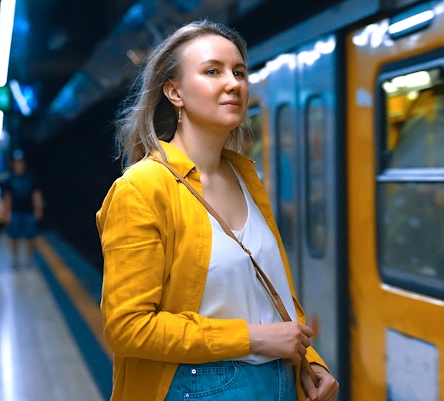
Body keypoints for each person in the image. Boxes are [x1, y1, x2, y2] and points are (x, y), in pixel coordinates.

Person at [96, 20, 339, 401]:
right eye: (213, 71)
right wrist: (253, 338)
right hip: (198, 388)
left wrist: (309, 359)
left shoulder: (244, 176)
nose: (233, 83)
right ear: (174, 92)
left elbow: (266, 292)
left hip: (277, 384)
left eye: (239, 72)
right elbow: (127, 328)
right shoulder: (142, 188)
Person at [4, 150, 44, 269]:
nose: (18, 164)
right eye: (16, 162)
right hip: (15, 211)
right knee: (14, 236)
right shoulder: (10, 178)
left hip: (29, 211)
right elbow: (7, 197)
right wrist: (6, 213)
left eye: (20, 161)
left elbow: (36, 193)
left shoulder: (31, 176)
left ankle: (30, 259)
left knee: (30, 236)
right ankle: (15, 259)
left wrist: (38, 209)